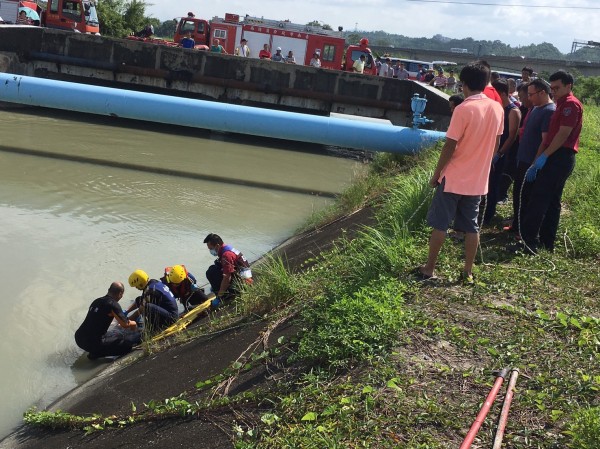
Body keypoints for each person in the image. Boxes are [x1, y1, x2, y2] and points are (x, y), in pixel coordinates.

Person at [416, 61, 503, 283]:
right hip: (478, 180)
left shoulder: (464, 108)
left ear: (464, 84)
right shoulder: (497, 108)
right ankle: (468, 272)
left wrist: (437, 174)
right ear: (485, 83)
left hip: (454, 177)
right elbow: (496, 142)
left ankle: (429, 268)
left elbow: (450, 145)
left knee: (440, 224)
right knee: (472, 226)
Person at [517, 70, 583, 254]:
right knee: (552, 201)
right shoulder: (560, 105)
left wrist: (545, 156)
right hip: (553, 154)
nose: (553, 91)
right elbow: (548, 138)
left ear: (569, 86)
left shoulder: (571, 105)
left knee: (539, 198)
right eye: (552, 88)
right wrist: (538, 159)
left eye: (557, 88)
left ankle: (529, 242)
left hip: (560, 156)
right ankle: (547, 243)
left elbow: (563, 134)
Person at [507, 79, 555, 236]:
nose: (529, 98)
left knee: (526, 197)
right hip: (523, 158)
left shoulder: (549, 111)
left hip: (531, 162)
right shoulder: (535, 108)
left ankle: (522, 231)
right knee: (518, 194)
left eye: (531, 94)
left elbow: (544, 140)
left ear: (542, 92)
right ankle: (516, 225)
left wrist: (535, 163)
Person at [483, 79, 521, 224]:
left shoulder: (513, 111)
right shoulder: (495, 109)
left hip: (503, 155)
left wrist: (498, 154)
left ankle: (489, 215)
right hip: (490, 151)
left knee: (494, 185)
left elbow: (511, 137)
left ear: (503, 93)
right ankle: (482, 209)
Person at [75, 282, 141, 360]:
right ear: (120, 293)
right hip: (93, 343)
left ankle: (95, 351)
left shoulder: (96, 301)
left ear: (109, 290)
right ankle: (97, 353)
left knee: (111, 335)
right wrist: (135, 325)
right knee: (128, 345)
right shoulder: (112, 304)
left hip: (79, 338)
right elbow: (125, 324)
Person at [203, 233, 253, 306]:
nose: (211, 251)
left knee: (211, 272)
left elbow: (227, 277)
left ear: (217, 246)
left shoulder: (226, 255)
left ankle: (225, 296)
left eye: (211, 249)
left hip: (243, 284)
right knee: (216, 266)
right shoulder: (226, 248)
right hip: (244, 278)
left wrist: (219, 296)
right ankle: (224, 292)